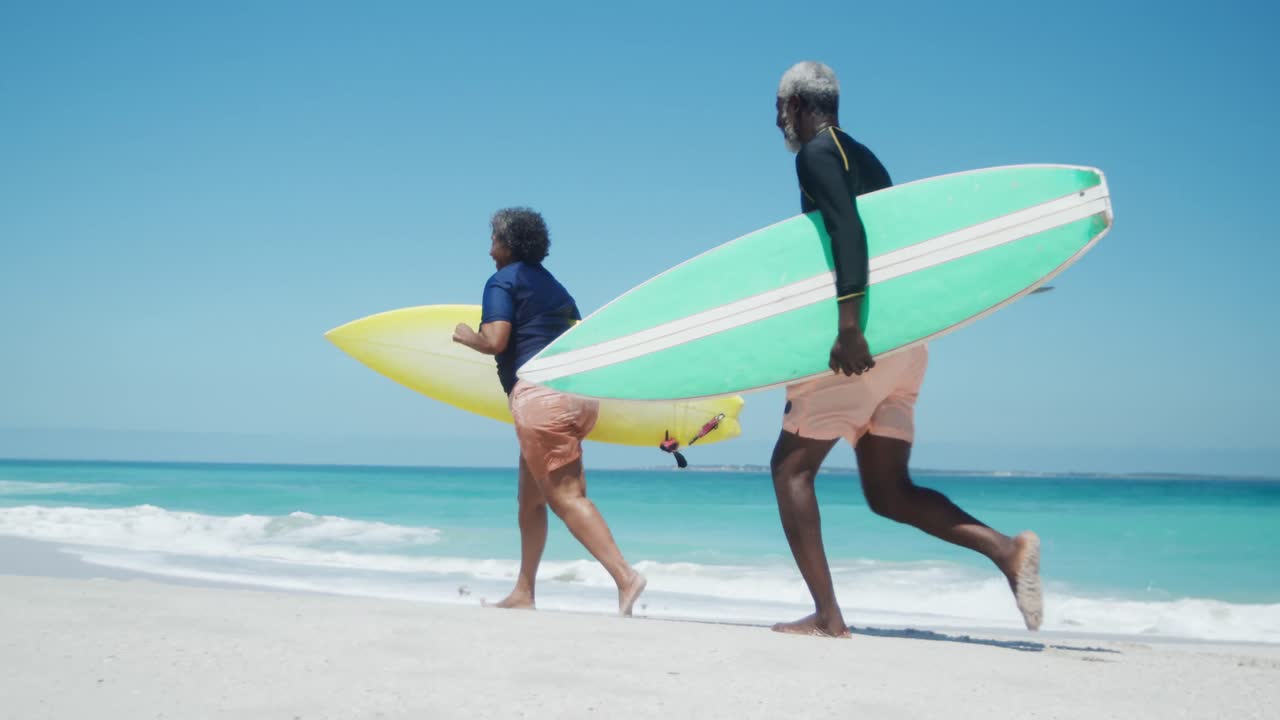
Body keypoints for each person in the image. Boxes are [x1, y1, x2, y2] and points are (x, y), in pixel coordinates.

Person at [768, 61, 1043, 638]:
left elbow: (849, 230)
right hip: (904, 347)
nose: (777, 121)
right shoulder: (867, 159)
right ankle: (1006, 552)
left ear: (796, 104)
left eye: (778, 108)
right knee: (888, 491)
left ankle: (828, 617)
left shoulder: (817, 155)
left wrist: (848, 326)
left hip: (859, 344)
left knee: (790, 469)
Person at [452, 207, 647, 616]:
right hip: (578, 396)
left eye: (494, 241)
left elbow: (496, 339)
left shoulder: (502, 281)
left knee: (567, 498)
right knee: (530, 501)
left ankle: (626, 577)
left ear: (508, 244)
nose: (490, 251)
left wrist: (469, 337)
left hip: (540, 398)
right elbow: (581, 339)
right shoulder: (557, 287)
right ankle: (524, 591)